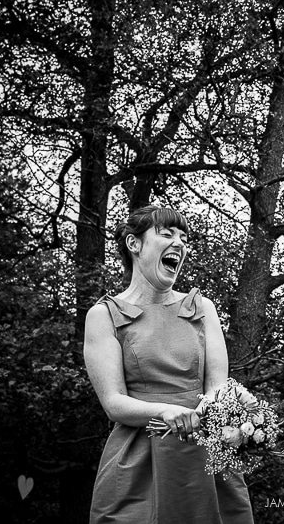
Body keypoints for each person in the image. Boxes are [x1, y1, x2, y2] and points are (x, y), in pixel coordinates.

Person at [84, 205, 254, 524]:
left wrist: (235, 417)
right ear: (134, 244)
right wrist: (165, 411)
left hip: (206, 458)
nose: (179, 242)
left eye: (183, 237)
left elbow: (217, 389)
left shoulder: (203, 309)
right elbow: (113, 402)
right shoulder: (103, 316)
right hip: (138, 462)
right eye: (166, 234)